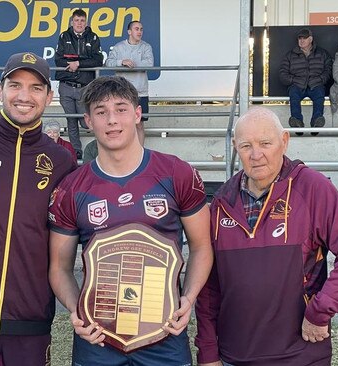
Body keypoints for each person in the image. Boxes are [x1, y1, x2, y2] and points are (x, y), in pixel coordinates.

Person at [48, 76, 214, 365]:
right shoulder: (71, 189)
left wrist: (188, 299)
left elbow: (201, 247)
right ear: (88, 120)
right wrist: (79, 310)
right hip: (98, 336)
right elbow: (59, 266)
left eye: (121, 109)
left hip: (163, 333)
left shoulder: (177, 174)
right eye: (101, 112)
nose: (112, 120)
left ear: (137, 114)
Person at [195, 107, 338, 366]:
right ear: (235, 147)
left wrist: (320, 311)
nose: (256, 155)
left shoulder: (312, 188)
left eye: (265, 143)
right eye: (246, 146)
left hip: (300, 355)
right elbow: (209, 287)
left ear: (284, 141)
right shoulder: (223, 201)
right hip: (234, 356)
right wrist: (208, 352)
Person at [0, 52, 75, 366]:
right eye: (15, 85)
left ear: (49, 96)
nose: (24, 96)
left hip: (30, 321)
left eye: (35, 88)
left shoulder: (62, 161)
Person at [54, 8, 103, 159]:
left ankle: (98, 147)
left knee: (85, 120)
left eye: (82, 21)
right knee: (71, 119)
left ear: (86, 22)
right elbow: (58, 59)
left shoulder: (93, 37)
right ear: (72, 22)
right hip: (66, 85)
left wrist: (78, 63)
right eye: (76, 20)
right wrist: (76, 62)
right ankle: (77, 151)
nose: (79, 23)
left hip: (85, 86)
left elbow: (98, 60)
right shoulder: (64, 36)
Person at [105, 20, 154, 144]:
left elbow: (149, 64)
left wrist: (132, 64)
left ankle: (140, 154)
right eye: (136, 29)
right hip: (122, 93)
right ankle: (125, 151)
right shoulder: (119, 47)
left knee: (139, 125)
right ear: (129, 32)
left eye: (141, 29)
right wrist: (121, 62)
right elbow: (108, 63)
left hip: (140, 92)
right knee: (122, 124)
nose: (140, 32)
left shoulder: (146, 47)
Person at [278, 28, 332, 135]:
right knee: (293, 94)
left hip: (315, 84)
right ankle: (297, 123)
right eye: (300, 39)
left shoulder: (322, 53)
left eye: (304, 38)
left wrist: (320, 79)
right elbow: (282, 73)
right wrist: (294, 80)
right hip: (297, 84)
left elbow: (328, 70)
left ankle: (316, 123)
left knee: (319, 94)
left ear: (311, 39)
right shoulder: (290, 55)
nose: (301, 41)